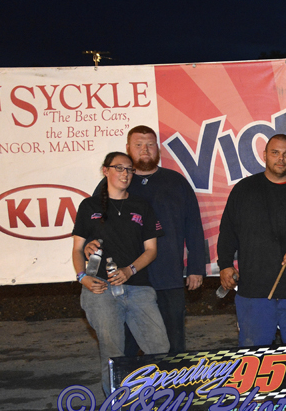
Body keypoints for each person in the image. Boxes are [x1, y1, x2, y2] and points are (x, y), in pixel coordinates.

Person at [86, 126, 205, 356]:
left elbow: (193, 227)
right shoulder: (111, 184)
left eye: (150, 144)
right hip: (126, 279)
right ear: (128, 148)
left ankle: (173, 380)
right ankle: (130, 381)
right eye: (138, 145)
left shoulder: (176, 182)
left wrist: (196, 268)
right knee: (125, 348)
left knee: (172, 345)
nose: (145, 150)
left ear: (157, 149)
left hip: (168, 277)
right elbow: (93, 222)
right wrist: (90, 244)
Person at [217, 134, 286, 395]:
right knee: (253, 350)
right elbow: (228, 231)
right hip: (255, 285)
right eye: (275, 153)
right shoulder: (244, 190)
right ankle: (254, 397)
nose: (281, 159)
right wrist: (225, 264)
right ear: (264, 155)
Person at [73, 152, 169, 396]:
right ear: (105, 171)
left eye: (129, 169)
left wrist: (130, 269)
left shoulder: (141, 206)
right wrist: (82, 277)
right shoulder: (89, 206)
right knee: (112, 352)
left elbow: (151, 250)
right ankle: (117, 408)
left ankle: (156, 401)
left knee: (159, 347)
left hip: (138, 287)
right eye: (119, 168)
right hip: (101, 289)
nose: (125, 174)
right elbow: (77, 249)